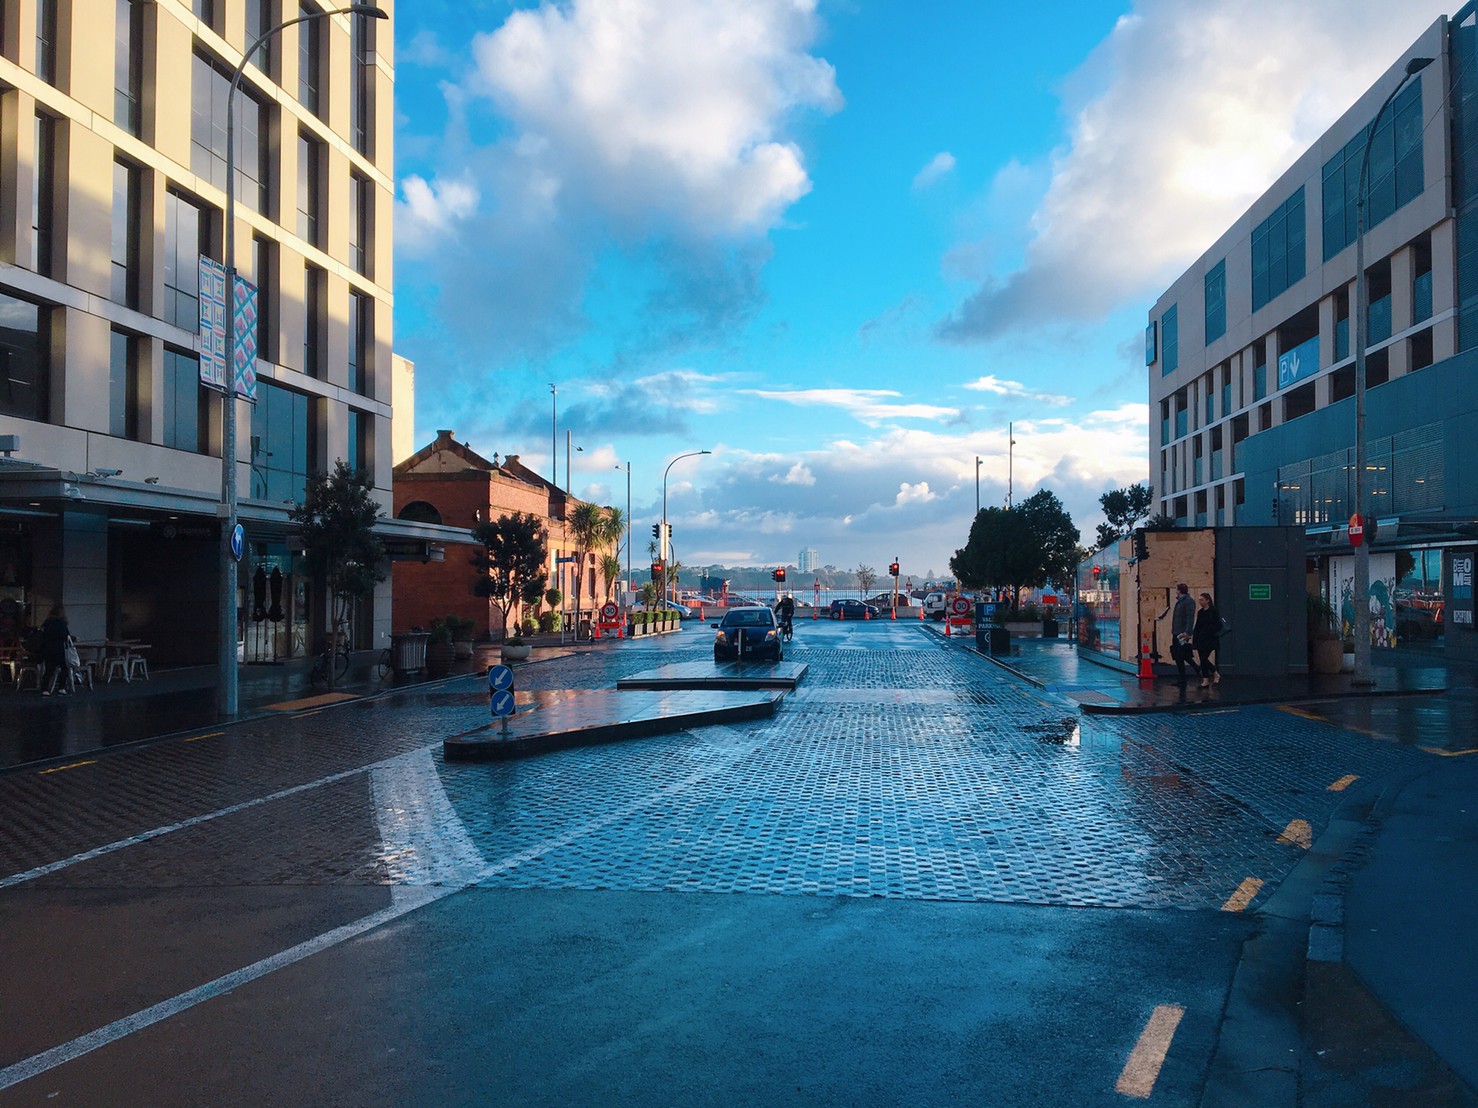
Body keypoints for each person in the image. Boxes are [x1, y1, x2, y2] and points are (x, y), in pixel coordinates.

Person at [39, 604, 72, 696]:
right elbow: (65, 636)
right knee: (64, 668)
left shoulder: (47, 623)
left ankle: (45, 689)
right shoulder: (61, 623)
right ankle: (61, 687)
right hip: (59, 649)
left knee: (49, 670)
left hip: (47, 649)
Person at [1191, 591, 1222, 688]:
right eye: (1199, 600)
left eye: (1202, 600)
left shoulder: (1213, 611)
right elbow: (1198, 626)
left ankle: (1213, 674)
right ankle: (1206, 679)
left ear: (1207, 600)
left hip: (1210, 638)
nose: (1200, 602)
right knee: (1202, 659)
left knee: (1204, 658)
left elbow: (1218, 625)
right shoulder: (1200, 612)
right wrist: (1195, 636)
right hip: (1201, 638)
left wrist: (1209, 631)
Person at [1169, 583, 1196, 686]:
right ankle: (1194, 670)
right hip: (1177, 632)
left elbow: (1190, 618)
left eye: (1177, 590)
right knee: (1179, 655)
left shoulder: (1188, 602)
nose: (1176, 592)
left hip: (1181, 633)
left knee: (1180, 655)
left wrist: (1188, 632)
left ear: (1179, 591)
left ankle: (1183, 678)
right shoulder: (1181, 601)